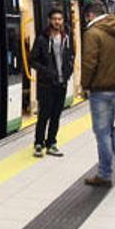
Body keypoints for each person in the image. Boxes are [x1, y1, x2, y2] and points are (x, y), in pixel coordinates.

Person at [81, 1, 115, 187]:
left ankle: (104, 174)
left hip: (101, 91)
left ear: (90, 15)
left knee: (102, 132)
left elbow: (89, 63)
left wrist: (85, 85)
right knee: (108, 127)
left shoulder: (92, 34)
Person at [30, 8, 74, 158]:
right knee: (44, 115)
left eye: (60, 19)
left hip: (62, 83)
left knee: (56, 115)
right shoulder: (42, 39)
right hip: (46, 85)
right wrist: (47, 72)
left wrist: (68, 72)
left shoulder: (66, 38)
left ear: (62, 21)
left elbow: (70, 57)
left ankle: (52, 143)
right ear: (50, 20)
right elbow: (32, 60)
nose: (57, 22)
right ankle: (38, 143)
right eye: (55, 19)